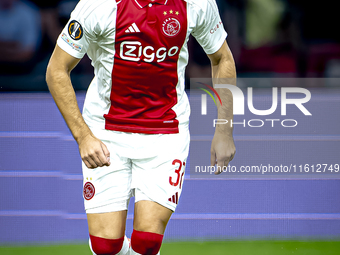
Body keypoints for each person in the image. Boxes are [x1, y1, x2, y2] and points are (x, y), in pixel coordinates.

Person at [46, 0, 236, 254]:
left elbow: (222, 57)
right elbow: (56, 69)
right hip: (106, 133)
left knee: (146, 243)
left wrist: (224, 129)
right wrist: (84, 137)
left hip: (166, 133)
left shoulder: (196, 4)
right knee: (106, 247)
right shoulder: (98, 6)